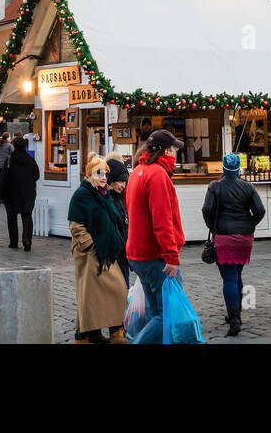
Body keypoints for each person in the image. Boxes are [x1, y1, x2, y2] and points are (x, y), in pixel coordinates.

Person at [125, 129, 186, 344]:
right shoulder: (158, 175)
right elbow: (162, 222)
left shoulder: (138, 172)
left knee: (153, 312)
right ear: (166, 151)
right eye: (173, 149)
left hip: (138, 253)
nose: (176, 154)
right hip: (155, 256)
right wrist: (171, 256)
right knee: (167, 314)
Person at [202, 152, 265, 337]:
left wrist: (212, 226)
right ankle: (237, 311)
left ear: (223, 167)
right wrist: (251, 223)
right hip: (245, 237)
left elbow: (207, 209)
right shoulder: (248, 186)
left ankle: (234, 317)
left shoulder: (215, 186)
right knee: (237, 273)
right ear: (239, 168)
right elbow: (260, 210)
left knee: (229, 278)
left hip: (224, 235)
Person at [68, 155, 129, 344]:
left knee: (116, 290)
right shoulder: (82, 194)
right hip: (90, 254)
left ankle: (108, 333)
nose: (103, 177)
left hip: (107, 251)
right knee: (90, 297)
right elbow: (75, 224)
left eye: (105, 173)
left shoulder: (105, 193)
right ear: (89, 174)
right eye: (98, 173)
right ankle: (86, 336)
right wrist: (89, 245)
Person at [2, 136, 39, 250]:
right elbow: (37, 175)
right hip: (28, 192)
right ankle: (27, 241)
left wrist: (1, 192)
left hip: (11, 193)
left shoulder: (9, 160)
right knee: (27, 216)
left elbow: (4, 178)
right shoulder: (30, 160)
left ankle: (13, 242)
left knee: (12, 216)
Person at [105, 157, 131, 285]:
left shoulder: (119, 199)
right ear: (111, 180)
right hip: (113, 259)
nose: (123, 185)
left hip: (123, 258)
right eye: (120, 181)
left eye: (125, 182)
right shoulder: (107, 201)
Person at [0, 132, 13, 203]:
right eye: (10, 137)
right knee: (4, 182)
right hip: (5, 166)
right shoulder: (9, 146)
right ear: (7, 138)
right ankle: (3, 197)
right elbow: (13, 155)